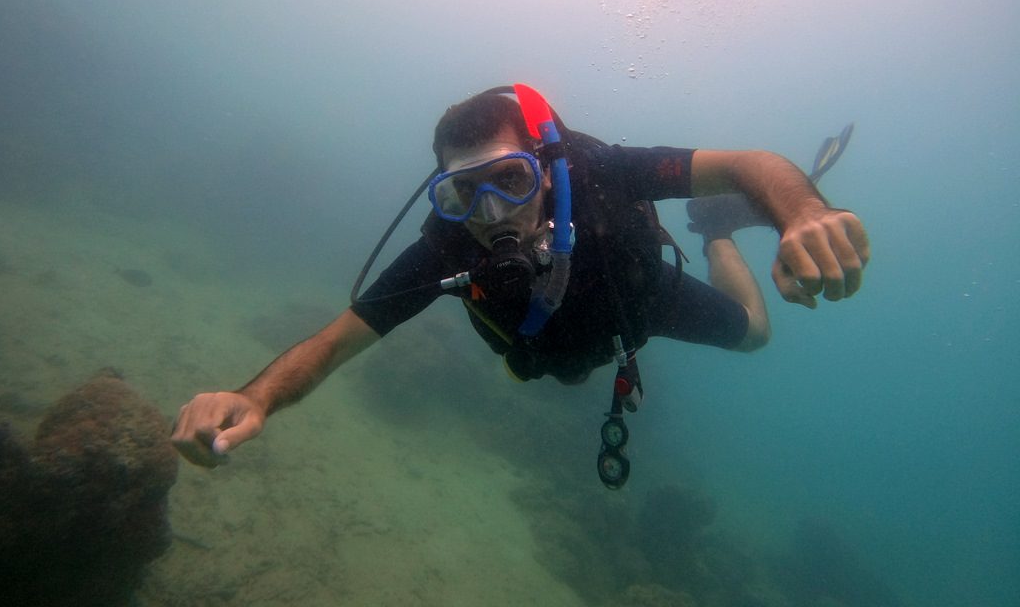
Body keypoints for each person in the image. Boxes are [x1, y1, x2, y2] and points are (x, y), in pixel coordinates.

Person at [171, 84, 869, 487]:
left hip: (642, 301)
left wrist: (802, 214)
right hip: (548, 351)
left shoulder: (600, 172)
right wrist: (252, 395)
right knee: (561, 371)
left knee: (755, 335)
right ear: (441, 195)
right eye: (463, 191)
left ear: (544, 166)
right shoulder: (443, 247)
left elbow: (749, 162)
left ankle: (715, 232)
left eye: (510, 179)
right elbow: (332, 344)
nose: (491, 212)